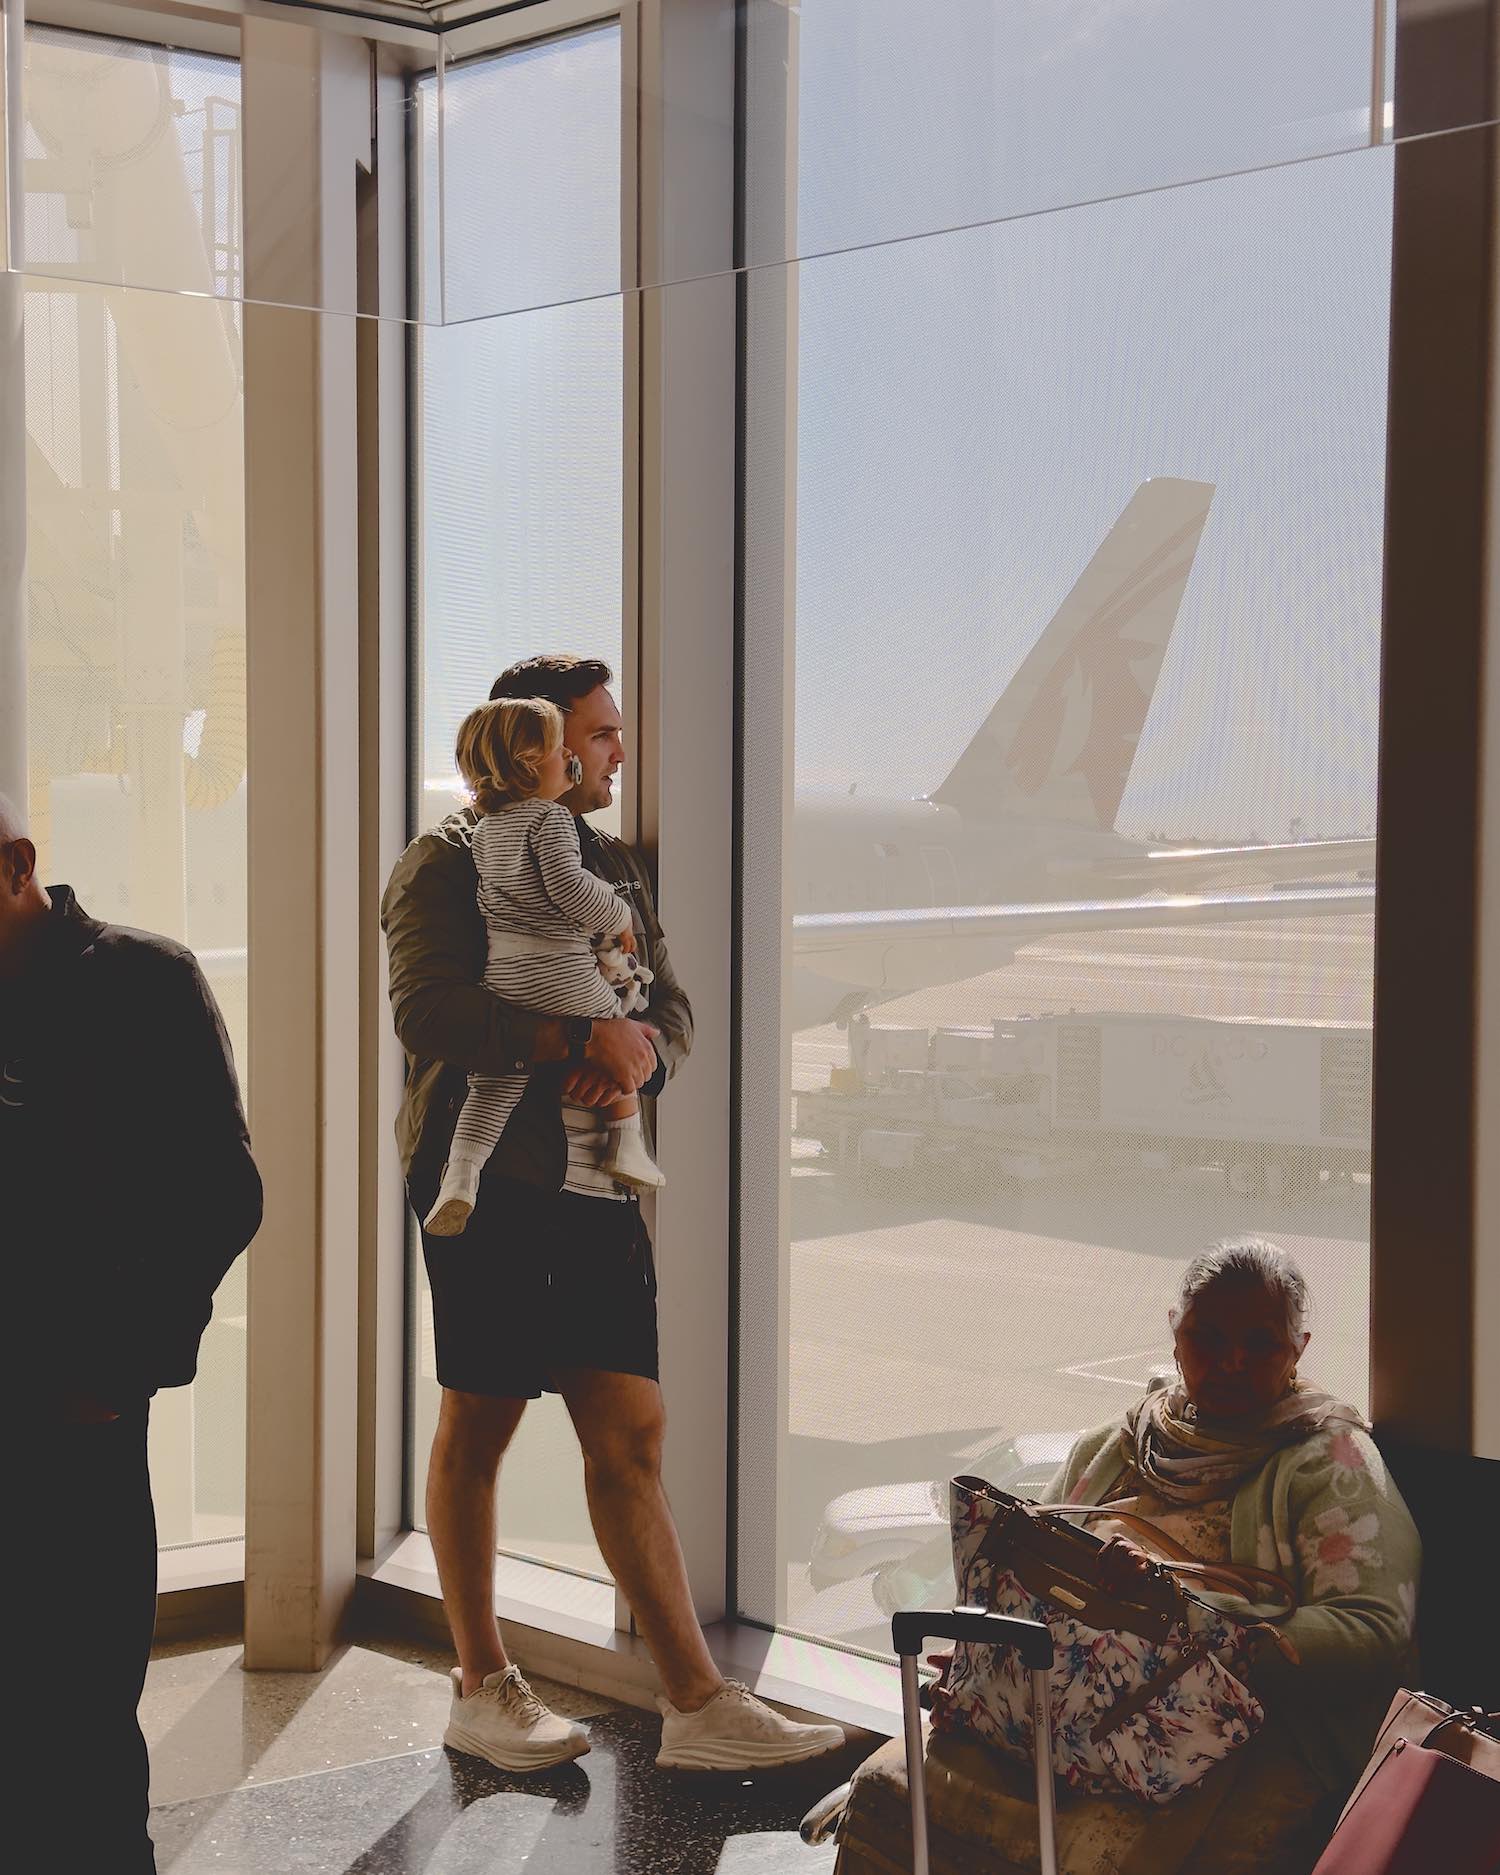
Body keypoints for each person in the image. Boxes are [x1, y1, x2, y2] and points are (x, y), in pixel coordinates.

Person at [381, 654, 844, 1774]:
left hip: (597, 1183)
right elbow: (428, 1010)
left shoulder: (609, 862)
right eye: (596, 734)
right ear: (534, 740)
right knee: (480, 1428)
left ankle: (695, 1705)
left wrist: (634, 1060)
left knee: (629, 1432)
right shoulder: (439, 864)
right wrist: (570, 1040)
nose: (617, 753)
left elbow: (667, 1008)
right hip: (489, 1183)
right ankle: (481, 1687)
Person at [1, 792, 263, 1874]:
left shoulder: (139, 982)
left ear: (15, 866)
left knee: (72, 1731)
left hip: (69, 1412)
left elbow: (221, 1198)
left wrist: (108, 1373)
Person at [1051, 1236, 1422, 1863]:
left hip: (1247, 1733)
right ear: (1174, 1331)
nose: (1231, 1363)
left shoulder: (1332, 1464)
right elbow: (1036, 1556)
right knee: (890, 1784)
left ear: (1298, 1349)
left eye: (1260, 1344)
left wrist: (1188, 1623)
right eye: (1209, 1338)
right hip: (1071, 1704)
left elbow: (1374, 1628)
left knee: (1099, 1853)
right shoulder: (1115, 1446)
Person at [424, 694, 662, 1238]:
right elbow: (567, 889)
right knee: (619, 1023)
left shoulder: (485, 831)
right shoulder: (550, 819)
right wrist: (617, 910)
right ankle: (628, 1145)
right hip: (560, 970)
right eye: (565, 747)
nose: (575, 762)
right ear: (533, 761)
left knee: (493, 1085)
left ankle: (461, 1174)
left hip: (507, 976)